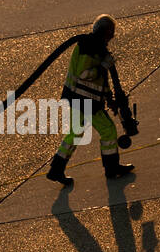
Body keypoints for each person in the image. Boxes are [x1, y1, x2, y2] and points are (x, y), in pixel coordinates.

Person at [46, 14, 136, 185]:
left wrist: (109, 97)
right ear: (107, 31)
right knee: (108, 130)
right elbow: (84, 74)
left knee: (75, 133)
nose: (113, 36)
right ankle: (112, 168)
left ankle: (56, 170)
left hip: (80, 98)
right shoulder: (89, 46)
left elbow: (101, 81)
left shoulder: (95, 45)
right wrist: (103, 66)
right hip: (84, 100)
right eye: (112, 32)